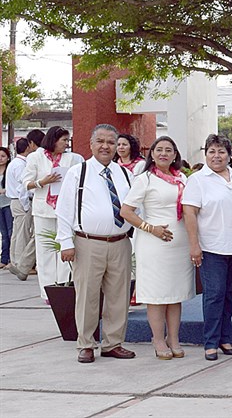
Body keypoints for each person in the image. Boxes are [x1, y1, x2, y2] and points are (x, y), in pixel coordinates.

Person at [55, 124, 136, 363]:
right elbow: (64, 211)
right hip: (88, 243)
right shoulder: (77, 173)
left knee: (118, 296)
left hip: (120, 243)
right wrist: (65, 243)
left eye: (111, 142)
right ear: (91, 144)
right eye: (100, 141)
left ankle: (113, 343)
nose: (106, 146)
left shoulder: (124, 174)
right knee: (87, 295)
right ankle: (86, 344)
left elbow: (133, 207)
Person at [118, 136, 193, 360]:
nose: (163, 154)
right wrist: (151, 228)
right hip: (154, 243)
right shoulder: (144, 180)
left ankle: (174, 338)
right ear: (151, 154)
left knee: (175, 293)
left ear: (175, 155)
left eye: (168, 150)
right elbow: (126, 211)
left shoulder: (182, 178)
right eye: (159, 150)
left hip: (179, 244)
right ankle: (158, 339)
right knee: (157, 294)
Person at [182, 134, 232, 361]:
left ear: (229, 155)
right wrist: (194, 245)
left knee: (230, 294)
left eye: (221, 151)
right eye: (212, 151)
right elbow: (190, 213)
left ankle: (225, 338)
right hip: (212, 248)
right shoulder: (198, 180)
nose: (216, 156)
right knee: (214, 295)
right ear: (206, 154)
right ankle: (210, 343)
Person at [24, 126, 84, 299]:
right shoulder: (36, 157)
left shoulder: (74, 158)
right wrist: (42, 182)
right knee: (45, 251)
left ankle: (64, 288)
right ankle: (47, 292)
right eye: (64, 140)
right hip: (43, 209)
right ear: (53, 140)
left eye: (68, 140)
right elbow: (26, 183)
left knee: (65, 247)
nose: (66, 143)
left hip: (66, 209)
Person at [6, 138, 37, 280]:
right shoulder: (20, 165)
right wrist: (26, 205)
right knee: (22, 233)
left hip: (16, 201)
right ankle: (19, 263)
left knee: (17, 232)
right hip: (20, 202)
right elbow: (22, 188)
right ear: (28, 147)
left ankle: (15, 260)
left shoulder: (15, 163)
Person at [1, 147, 12, 269]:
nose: (0, 158)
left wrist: (4, 190)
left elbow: (14, 187)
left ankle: (10, 259)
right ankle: (3, 258)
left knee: (10, 232)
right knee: (3, 233)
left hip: (8, 204)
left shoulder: (9, 170)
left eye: (3, 156)